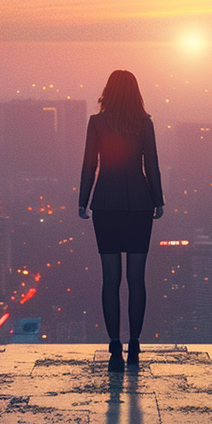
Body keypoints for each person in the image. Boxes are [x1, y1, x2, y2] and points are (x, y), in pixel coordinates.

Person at [78, 70, 164, 371]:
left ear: (108, 92)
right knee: (137, 279)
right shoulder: (144, 123)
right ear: (135, 93)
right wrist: (158, 200)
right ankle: (135, 343)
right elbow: (151, 164)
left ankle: (114, 343)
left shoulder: (97, 123)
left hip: (105, 204)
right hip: (140, 204)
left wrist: (83, 200)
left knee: (110, 279)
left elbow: (90, 163)